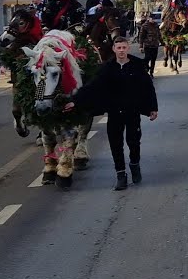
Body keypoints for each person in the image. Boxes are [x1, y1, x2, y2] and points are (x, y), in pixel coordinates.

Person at [67, 36, 158, 191]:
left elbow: (148, 87)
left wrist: (152, 108)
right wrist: (75, 101)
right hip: (115, 112)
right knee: (116, 145)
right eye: (119, 48)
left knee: (133, 142)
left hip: (133, 111)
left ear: (128, 48)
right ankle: (120, 175)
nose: (121, 51)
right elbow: (92, 86)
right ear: (114, 49)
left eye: (124, 47)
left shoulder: (137, 65)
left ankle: (134, 165)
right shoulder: (107, 68)